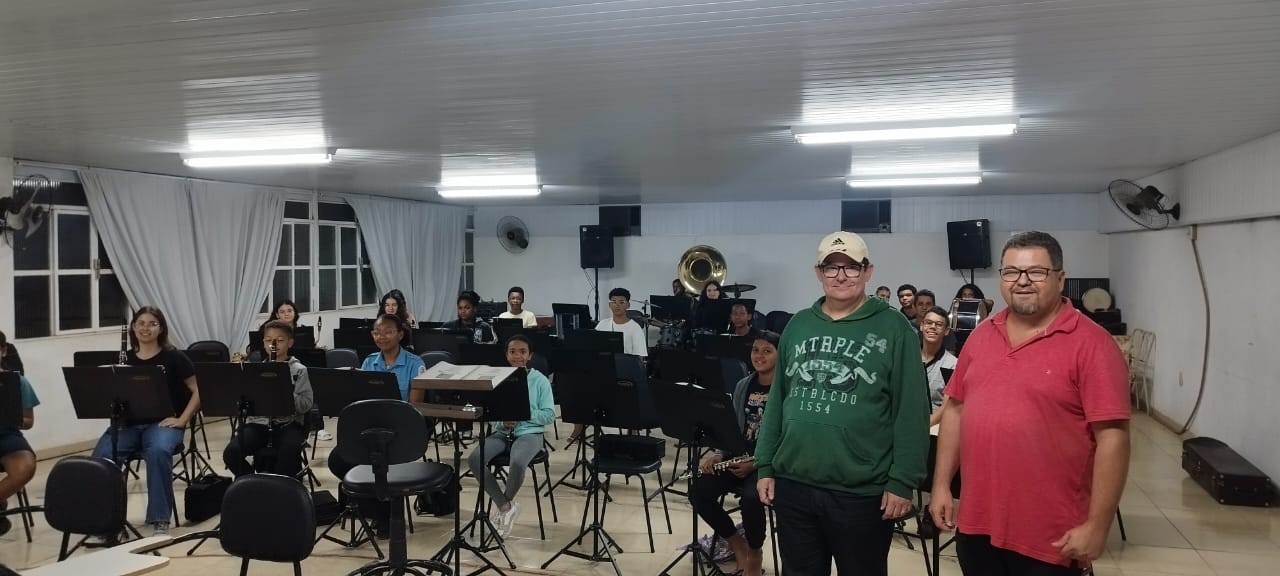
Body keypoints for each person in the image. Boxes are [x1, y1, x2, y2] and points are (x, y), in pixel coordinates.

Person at [930, 231, 1130, 575]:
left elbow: (1113, 439)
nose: (1022, 281)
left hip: (1051, 536)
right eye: (1011, 272)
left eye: (1036, 272)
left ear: (1060, 279)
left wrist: (1098, 525)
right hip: (977, 525)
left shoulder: (1093, 344)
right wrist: (941, 486)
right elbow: (956, 411)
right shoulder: (981, 336)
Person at [755, 231, 928, 576]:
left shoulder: (895, 328)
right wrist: (765, 464)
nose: (841, 275)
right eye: (831, 267)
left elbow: (911, 410)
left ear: (868, 271)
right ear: (818, 272)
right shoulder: (798, 325)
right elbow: (778, 400)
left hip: (861, 492)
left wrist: (902, 480)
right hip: (794, 485)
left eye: (851, 267)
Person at [91, 307, 201, 536]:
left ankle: (160, 519)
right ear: (133, 327)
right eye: (141, 323)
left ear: (161, 328)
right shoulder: (125, 359)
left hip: (163, 423)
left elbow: (198, 390)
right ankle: (106, 521)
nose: (146, 328)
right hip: (128, 425)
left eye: (152, 323)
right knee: (103, 456)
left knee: (158, 451)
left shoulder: (175, 357)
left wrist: (182, 419)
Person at [328, 314, 428, 537]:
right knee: (338, 459)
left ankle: (386, 516)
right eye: (376, 332)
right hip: (371, 428)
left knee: (380, 460)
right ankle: (375, 507)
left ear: (400, 334)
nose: (381, 337)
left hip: (399, 430)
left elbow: (415, 407)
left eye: (388, 332)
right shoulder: (369, 361)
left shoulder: (416, 364)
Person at [691, 331, 780, 576]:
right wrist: (720, 454)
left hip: (768, 464)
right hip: (738, 457)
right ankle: (736, 544)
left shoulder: (786, 388)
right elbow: (730, 426)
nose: (759, 356)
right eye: (755, 350)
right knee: (699, 490)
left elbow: (788, 437)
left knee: (752, 497)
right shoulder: (743, 385)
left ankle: (755, 551)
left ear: (780, 355)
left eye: (767, 351)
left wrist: (757, 463)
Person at [467, 335, 555, 537]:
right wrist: (501, 421)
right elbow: (490, 413)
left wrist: (524, 413)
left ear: (530, 355)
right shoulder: (498, 379)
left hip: (530, 434)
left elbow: (550, 415)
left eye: (522, 352)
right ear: (506, 355)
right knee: (475, 459)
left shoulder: (539, 380)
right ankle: (505, 506)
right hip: (502, 433)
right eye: (513, 352)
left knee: (517, 462)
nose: (517, 356)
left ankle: (504, 507)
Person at [223, 321, 315, 478]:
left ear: (290, 343)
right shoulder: (255, 370)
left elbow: (306, 404)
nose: (273, 344)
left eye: (280, 340)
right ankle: (253, 483)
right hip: (258, 424)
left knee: (288, 454)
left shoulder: (299, 370)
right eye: (268, 340)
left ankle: (281, 487)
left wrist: (283, 389)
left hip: (288, 424)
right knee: (232, 453)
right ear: (264, 343)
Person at [0, 335, 38, 537]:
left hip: (7, 435)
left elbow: (29, 421)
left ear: (3, 351)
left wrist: (10, 417)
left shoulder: (17, 381)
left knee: (25, 467)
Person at [919, 306, 958, 427]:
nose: (932, 327)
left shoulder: (953, 365)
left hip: (935, 427)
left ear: (946, 331)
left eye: (939, 324)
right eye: (928, 323)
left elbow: (947, 407)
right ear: (921, 326)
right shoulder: (908, 357)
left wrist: (922, 426)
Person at [595, 287, 648, 357]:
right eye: (614, 302)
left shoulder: (635, 329)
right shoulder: (602, 324)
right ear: (609, 305)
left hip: (626, 363)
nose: (617, 305)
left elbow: (640, 357)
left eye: (621, 302)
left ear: (628, 305)